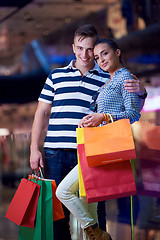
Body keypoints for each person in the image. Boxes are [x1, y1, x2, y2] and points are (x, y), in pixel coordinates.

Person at [30, 24, 146, 240]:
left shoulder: (106, 78)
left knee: (96, 209)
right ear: (73, 48)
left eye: (91, 48)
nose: (86, 54)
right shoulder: (55, 76)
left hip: (90, 150)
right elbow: (42, 113)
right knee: (57, 215)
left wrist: (142, 92)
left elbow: (131, 109)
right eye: (80, 48)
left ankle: (98, 234)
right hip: (54, 152)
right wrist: (33, 149)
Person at [56, 38, 142, 240]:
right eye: (97, 57)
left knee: (64, 191)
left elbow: (133, 114)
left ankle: (95, 231)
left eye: (105, 53)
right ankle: (96, 233)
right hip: (98, 144)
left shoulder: (125, 78)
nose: (100, 60)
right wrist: (91, 120)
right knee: (89, 202)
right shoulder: (109, 81)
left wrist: (104, 117)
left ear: (117, 52)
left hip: (107, 147)